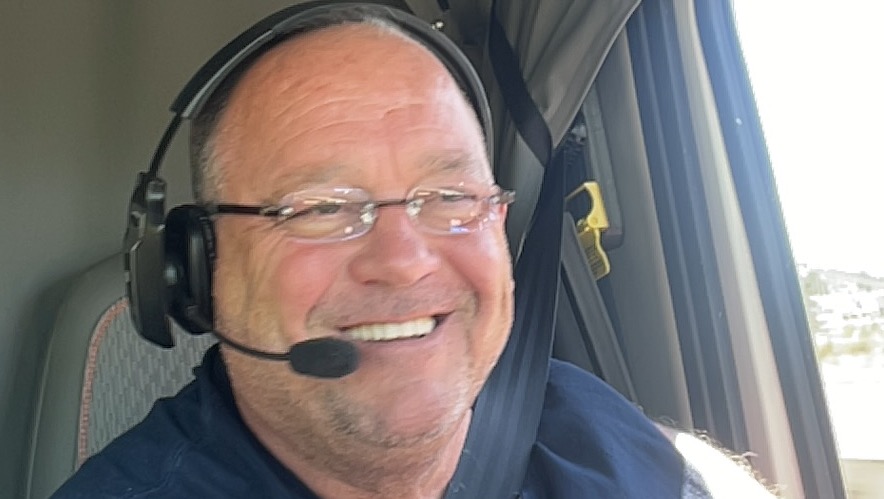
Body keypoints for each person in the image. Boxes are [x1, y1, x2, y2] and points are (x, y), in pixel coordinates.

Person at [54, 3, 775, 498]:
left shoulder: (576, 414)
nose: (404, 260)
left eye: (450, 196)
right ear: (198, 269)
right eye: (322, 207)